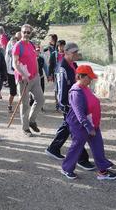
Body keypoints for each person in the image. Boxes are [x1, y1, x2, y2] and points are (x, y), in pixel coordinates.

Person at [61, 65, 116, 181]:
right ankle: (67, 168)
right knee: (76, 147)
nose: (91, 80)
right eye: (89, 77)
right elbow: (79, 113)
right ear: (80, 76)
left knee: (98, 147)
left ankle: (103, 171)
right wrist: (88, 127)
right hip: (80, 126)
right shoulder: (76, 92)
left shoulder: (84, 87)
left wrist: (92, 126)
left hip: (92, 124)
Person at [45, 42, 95, 170]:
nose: (76, 54)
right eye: (74, 52)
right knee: (77, 131)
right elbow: (61, 89)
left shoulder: (73, 65)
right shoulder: (62, 68)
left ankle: (53, 148)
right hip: (69, 104)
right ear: (66, 53)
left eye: (77, 52)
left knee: (68, 127)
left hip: (73, 103)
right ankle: (81, 158)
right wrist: (64, 105)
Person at [12, 24, 44, 136]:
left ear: (30, 33)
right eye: (24, 32)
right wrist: (22, 74)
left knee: (40, 100)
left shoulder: (31, 44)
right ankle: (25, 128)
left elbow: (35, 59)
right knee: (25, 104)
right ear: (21, 32)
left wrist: (38, 72)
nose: (26, 34)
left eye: (28, 32)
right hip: (23, 80)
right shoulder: (17, 46)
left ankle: (31, 121)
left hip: (35, 77)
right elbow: (14, 63)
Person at [4, 32, 20, 112]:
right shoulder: (9, 50)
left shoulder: (19, 48)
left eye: (15, 41)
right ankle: (9, 105)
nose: (13, 43)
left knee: (21, 89)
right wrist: (5, 72)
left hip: (19, 72)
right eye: (12, 41)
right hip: (11, 72)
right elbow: (6, 60)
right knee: (13, 91)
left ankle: (22, 106)